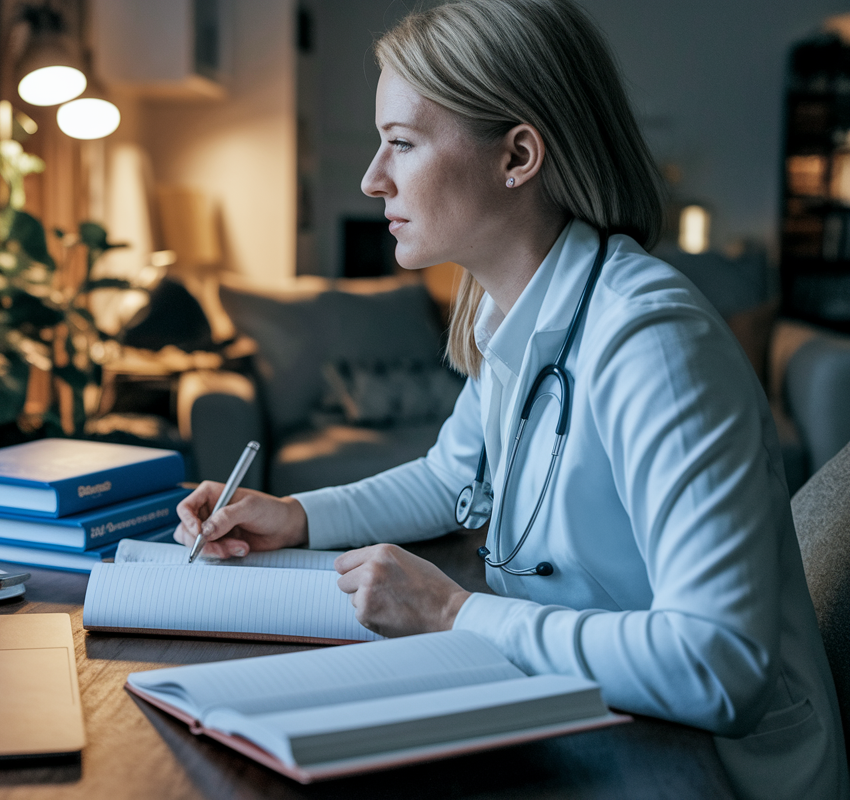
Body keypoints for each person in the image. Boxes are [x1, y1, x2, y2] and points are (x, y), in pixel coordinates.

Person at [173, 2, 848, 797]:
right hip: (596, 716)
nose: (372, 179)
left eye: (402, 143)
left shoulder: (654, 344)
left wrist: (453, 613)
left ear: (518, 155)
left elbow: (716, 668)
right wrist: (296, 515)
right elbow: (447, 476)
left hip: (709, 770)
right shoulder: (516, 313)